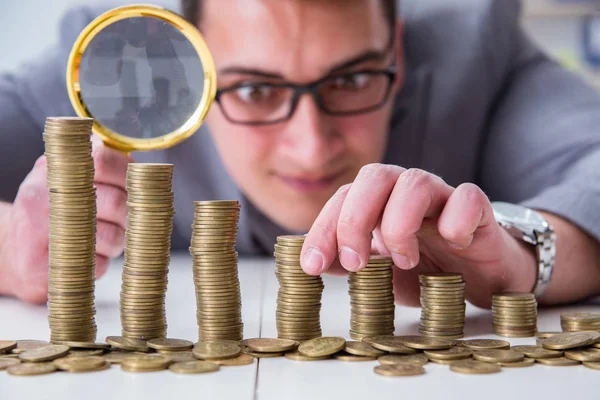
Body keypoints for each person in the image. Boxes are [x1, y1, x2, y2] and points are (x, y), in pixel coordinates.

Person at [0, 0, 599, 308]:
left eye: (352, 80)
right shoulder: (106, 68)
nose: (312, 146)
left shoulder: (473, 48)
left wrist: (523, 259)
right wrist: (8, 250)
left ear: (395, 45)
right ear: (189, 64)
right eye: (256, 90)